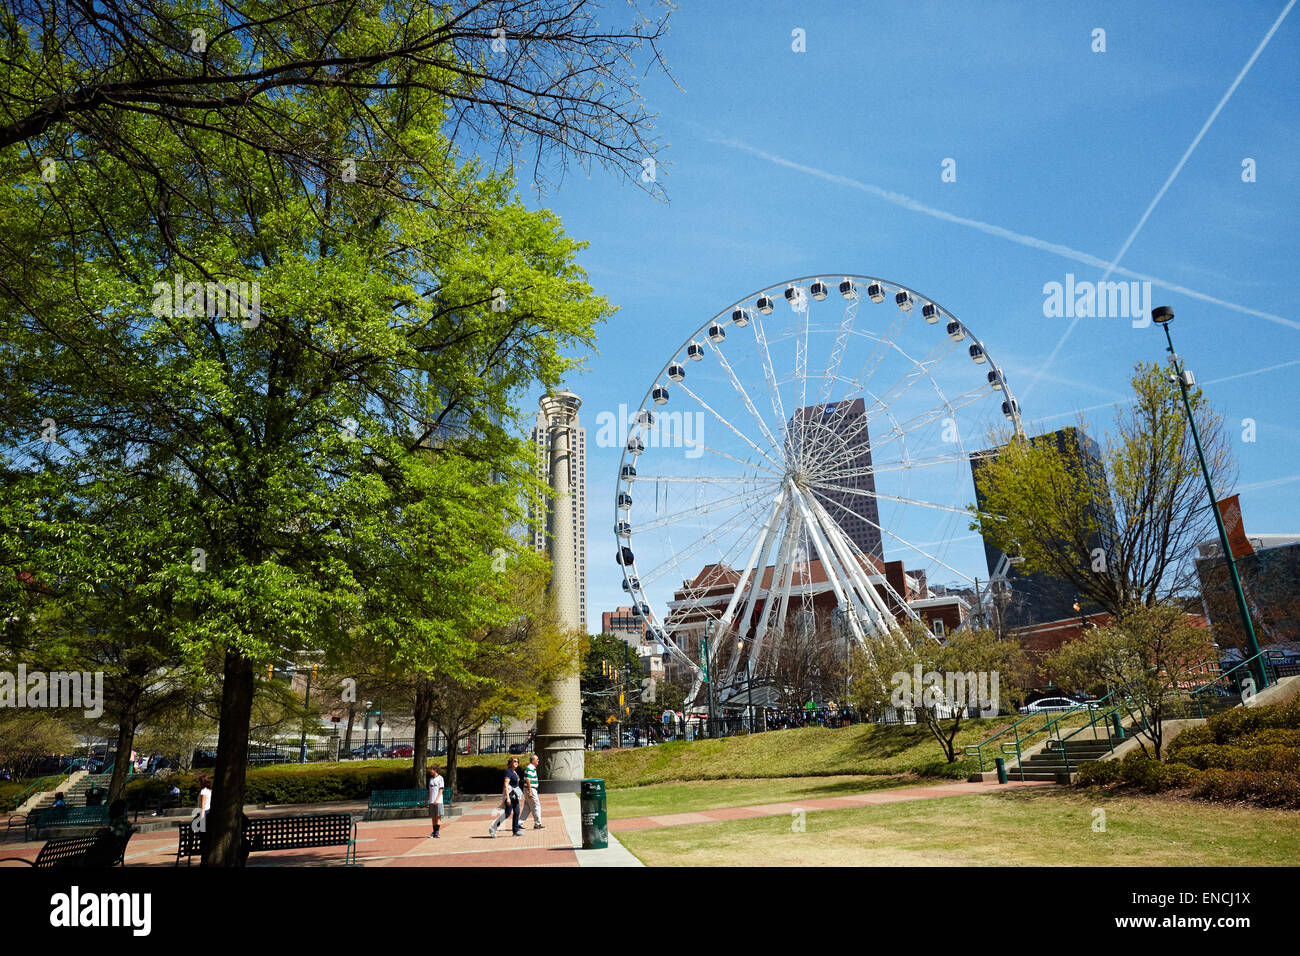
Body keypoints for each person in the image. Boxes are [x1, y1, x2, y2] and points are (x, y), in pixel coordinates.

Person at [487, 757, 523, 837]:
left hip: (515, 795)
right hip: (510, 795)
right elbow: (506, 785)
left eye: (517, 761)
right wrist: (508, 798)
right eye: (514, 761)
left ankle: (516, 830)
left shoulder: (514, 772)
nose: (516, 762)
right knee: (507, 813)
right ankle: (493, 828)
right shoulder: (508, 772)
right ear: (510, 763)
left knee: (517, 812)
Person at [522, 753, 544, 829]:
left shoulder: (531, 768)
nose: (538, 760)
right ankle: (538, 824)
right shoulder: (530, 768)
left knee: (527, 807)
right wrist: (530, 791)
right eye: (537, 759)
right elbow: (528, 780)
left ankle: (519, 823)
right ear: (533, 760)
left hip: (528, 789)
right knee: (536, 806)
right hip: (530, 789)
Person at [427, 765, 445, 839]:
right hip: (431, 801)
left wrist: (437, 799)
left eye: (431, 769)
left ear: (435, 770)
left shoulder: (440, 778)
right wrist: (427, 800)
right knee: (433, 817)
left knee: (438, 817)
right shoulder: (431, 779)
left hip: (438, 801)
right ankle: (434, 832)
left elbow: (441, 790)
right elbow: (430, 791)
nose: (430, 771)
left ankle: (437, 832)